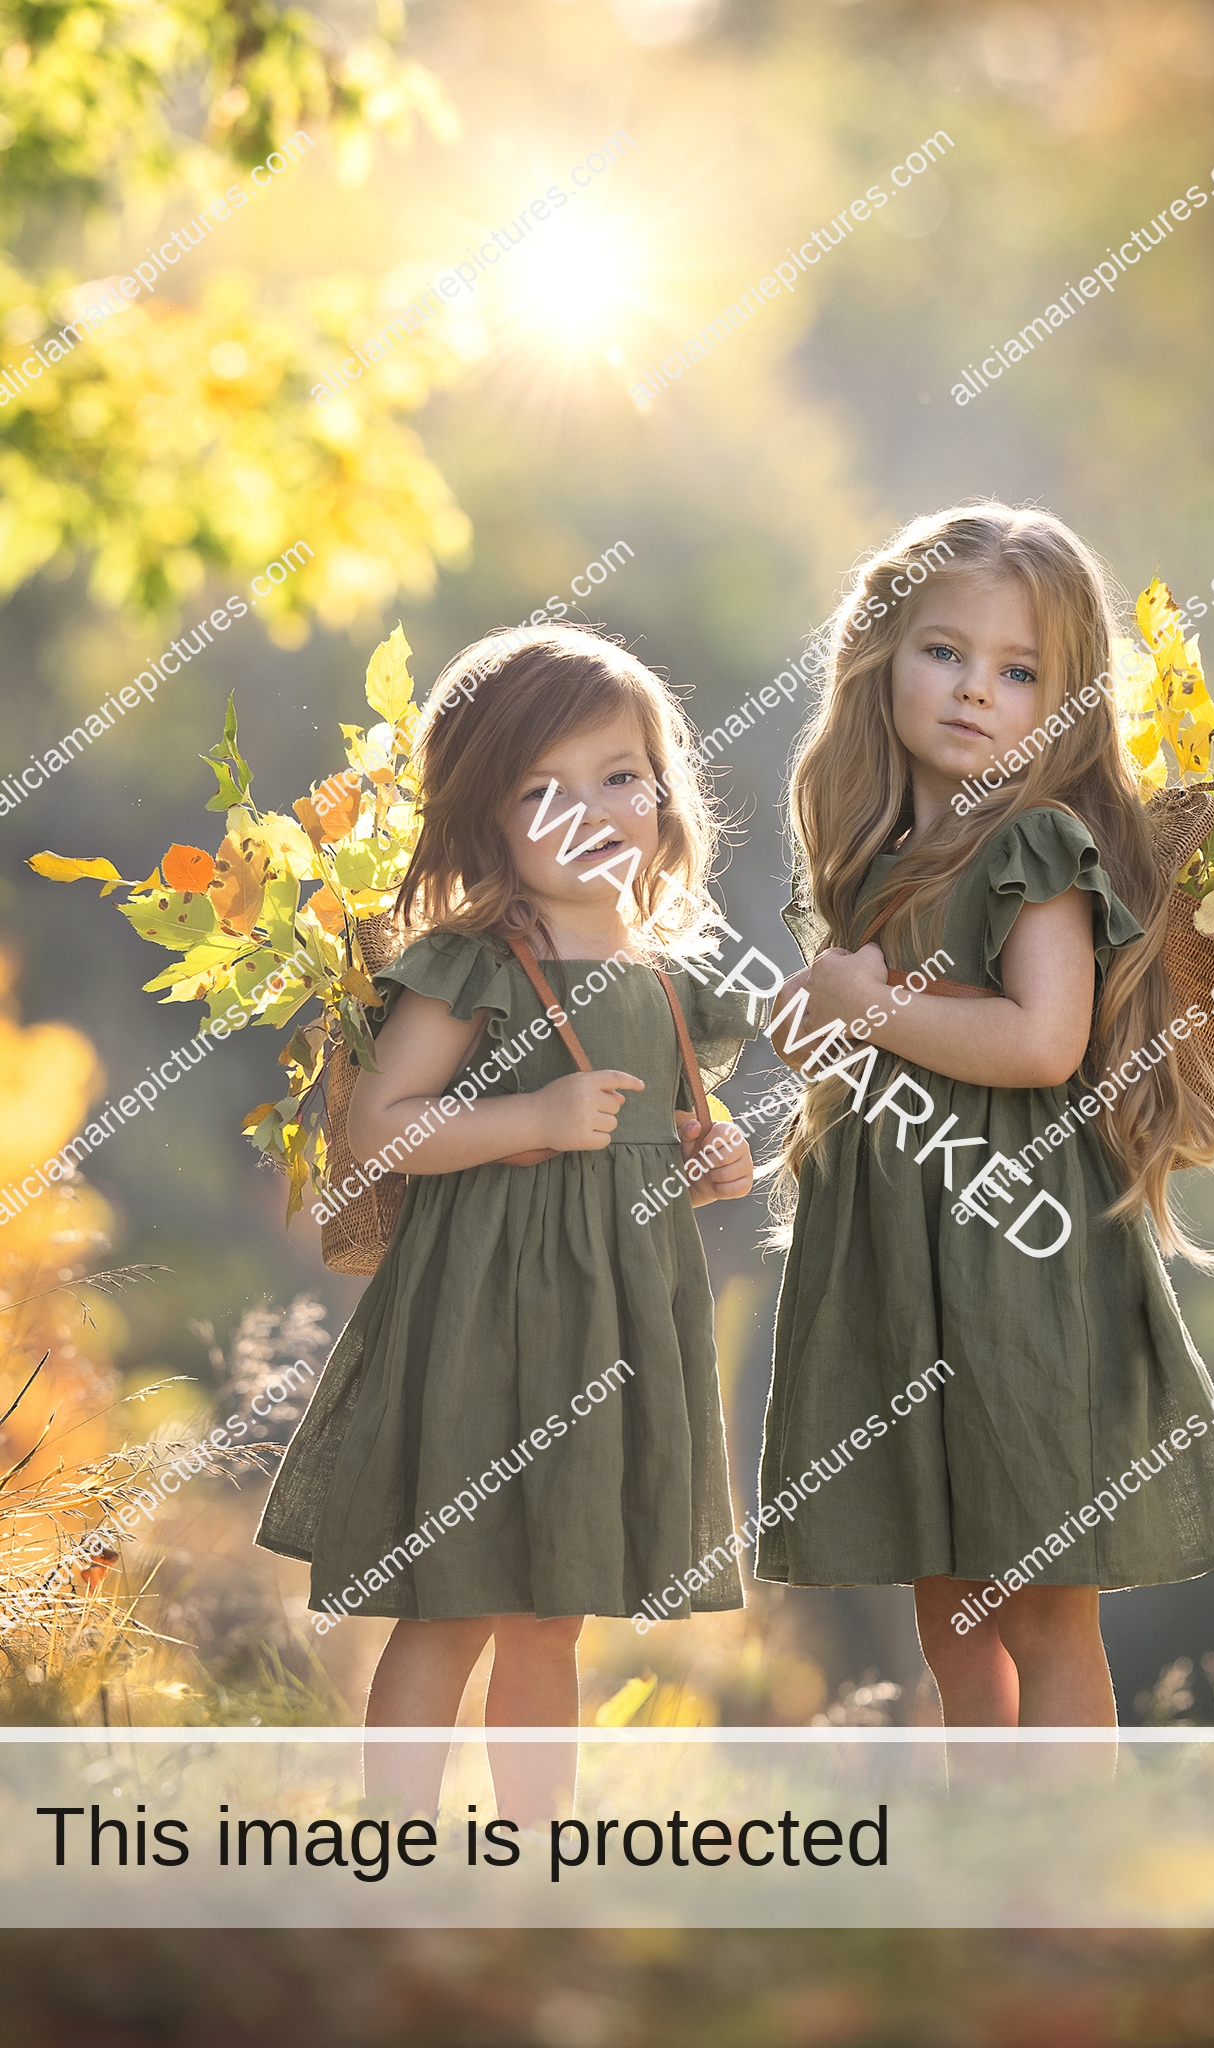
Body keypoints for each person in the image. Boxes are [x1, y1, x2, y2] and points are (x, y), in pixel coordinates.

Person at [759, 502, 1214, 1730]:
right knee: (949, 1601)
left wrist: (866, 1012)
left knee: (1039, 1602)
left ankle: (1063, 1872)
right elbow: (860, 1025)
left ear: (1066, 698)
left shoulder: (1034, 843)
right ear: (880, 660)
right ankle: (982, 1857)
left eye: (1018, 669)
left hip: (1017, 1252)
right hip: (900, 1251)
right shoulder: (877, 858)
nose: (974, 689)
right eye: (944, 652)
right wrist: (818, 1011)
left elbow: (1042, 1041)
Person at [256, 624, 759, 1821]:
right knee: (452, 1598)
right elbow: (376, 1126)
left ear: (665, 792)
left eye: (620, 775)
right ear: (484, 815)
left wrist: (707, 1155)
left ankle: (538, 1855)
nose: (591, 808)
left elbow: (647, 1133)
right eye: (544, 788)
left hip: (610, 1324)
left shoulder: (667, 973)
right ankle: (398, 1844)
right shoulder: (472, 961)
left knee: (552, 1611)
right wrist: (528, 1111)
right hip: (485, 1315)